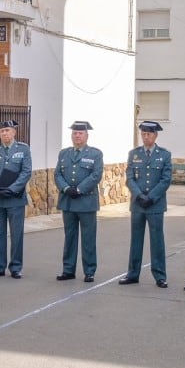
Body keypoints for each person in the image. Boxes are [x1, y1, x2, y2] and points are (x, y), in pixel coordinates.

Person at [118, 120, 173, 288]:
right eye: (143, 134)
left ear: (155, 135)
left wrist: (152, 197)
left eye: (148, 134)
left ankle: (160, 276)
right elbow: (129, 178)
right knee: (136, 240)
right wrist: (139, 195)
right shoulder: (134, 154)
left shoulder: (164, 154)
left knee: (157, 240)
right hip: (138, 203)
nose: (145, 137)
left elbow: (165, 179)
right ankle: (133, 274)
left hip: (155, 204)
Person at [54, 121, 103, 283]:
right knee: (70, 237)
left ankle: (89, 271)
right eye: (75, 133)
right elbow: (57, 175)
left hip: (86, 202)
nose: (77, 136)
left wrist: (79, 189)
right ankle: (68, 270)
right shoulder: (64, 153)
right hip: (68, 201)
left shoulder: (95, 154)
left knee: (88, 238)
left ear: (86, 136)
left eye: (80, 133)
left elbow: (96, 175)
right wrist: (66, 188)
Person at [0, 119, 32, 279]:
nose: (4, 133)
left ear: (14, 132)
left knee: (16, 234)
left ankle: (16, 267)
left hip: (15, 199)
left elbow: (26, 172)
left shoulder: (23, 149)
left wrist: (12, 189)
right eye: (2, 131)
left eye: (7, 130)